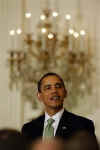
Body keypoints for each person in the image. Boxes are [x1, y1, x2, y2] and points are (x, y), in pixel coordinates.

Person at [22, 72, 95, 142]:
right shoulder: (28, 129)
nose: (54, 91)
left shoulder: (83, 125)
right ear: (39, 96)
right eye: (48, 88)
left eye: (58, 87)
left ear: (65, 93)